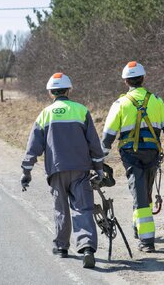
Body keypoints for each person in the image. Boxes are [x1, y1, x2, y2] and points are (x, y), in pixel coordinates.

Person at [20, 72, 104, 269]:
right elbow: (94, 143)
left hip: (56, 171)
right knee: (83, 208)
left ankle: (62, 248)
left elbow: (33, 147)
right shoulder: (81, 111)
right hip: (81, 170)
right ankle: (87, 248)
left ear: (50, 93)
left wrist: (26, 171)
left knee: (61, 209)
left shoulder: (45, 114)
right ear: (69, 90)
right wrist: (99, 168)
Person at [101, 61, 164, 253]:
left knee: (140, 195)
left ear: (125, 81)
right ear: (143, 78)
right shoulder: (156, 100)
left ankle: (147, 241)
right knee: (143, 192)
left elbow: (108, 137)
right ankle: (137, 228)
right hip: (152, 155)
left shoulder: (120, 104)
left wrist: (99, 159)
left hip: (131, 156)